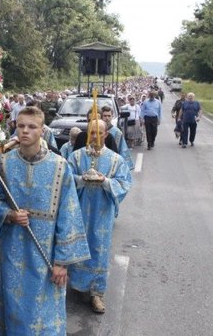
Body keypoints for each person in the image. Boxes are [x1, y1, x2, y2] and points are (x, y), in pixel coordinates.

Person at [0, 106, 90, 335]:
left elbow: (69, 214)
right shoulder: (3, 163)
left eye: (31, 127)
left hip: (47, 253)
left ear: (42, 131)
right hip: (14, 250)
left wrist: (62, 262)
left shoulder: (60, 167)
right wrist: (9, 214)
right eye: (21, 126)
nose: (25, 131)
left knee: (45, 312)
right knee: (14, 307)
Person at [67, 119, 132, 314]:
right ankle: (78, 284)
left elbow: (124, 183)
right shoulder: (76, 157)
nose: (95, 136)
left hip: (102, 212)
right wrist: (81, 179)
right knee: (77, 245)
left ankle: (97, 293)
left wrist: (104, 181)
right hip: (79, 209)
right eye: (91, 132)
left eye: (99, 133)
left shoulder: (115, 160)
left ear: (106, 135)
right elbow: (65, 178)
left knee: (99, 250)